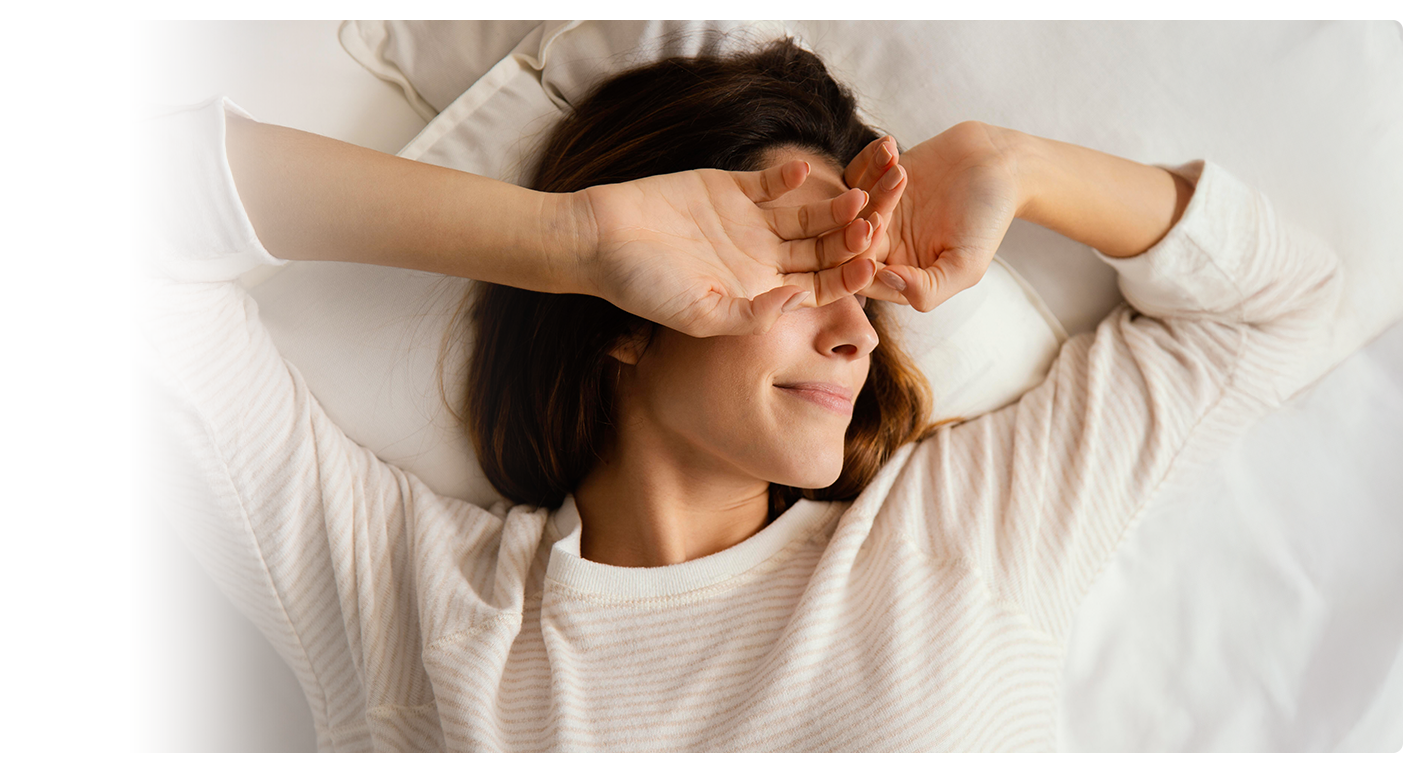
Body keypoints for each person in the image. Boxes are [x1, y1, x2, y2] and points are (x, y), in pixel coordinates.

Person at [130, 38, 1341, 751]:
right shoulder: (408, 604)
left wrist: (1008, 164)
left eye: (865, 295)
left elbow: (1282, 306)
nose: (856, 334)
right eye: (805, 273)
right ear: (626, 318)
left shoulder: (959, 532)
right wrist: (569, 242)